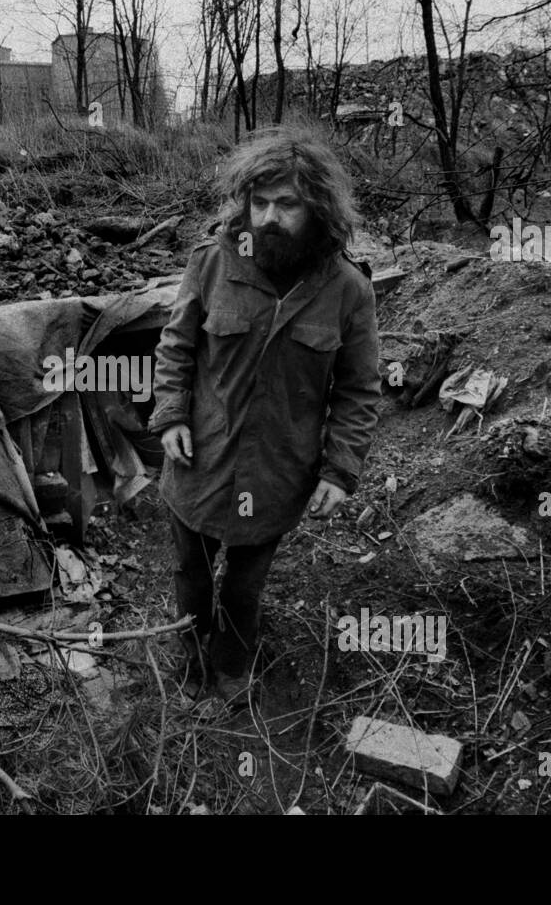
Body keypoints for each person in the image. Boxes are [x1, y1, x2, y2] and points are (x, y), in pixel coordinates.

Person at [146, 124, 382, 702]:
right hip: (201, 458)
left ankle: (230, 669)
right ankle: (191, 660)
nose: (270, 217)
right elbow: (176, 347)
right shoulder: (213, 262)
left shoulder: (348, 290)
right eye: (260, 202)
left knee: (245, 586)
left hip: (278, 472)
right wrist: (172, 414)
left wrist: (339, 469)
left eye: (287, 204)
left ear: (317, 208)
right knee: (191, 574)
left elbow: (359, 389)